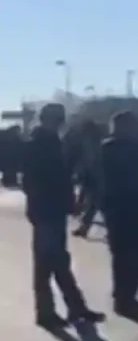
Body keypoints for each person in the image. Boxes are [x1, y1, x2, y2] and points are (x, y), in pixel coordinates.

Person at [22, 103, 104, 328]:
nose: (60, 123)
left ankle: (70, 308)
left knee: (55, 261)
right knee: (49, 263)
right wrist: (61, 201)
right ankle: (52, 311)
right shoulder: (40, 145)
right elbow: (39, 181)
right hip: (47, 211)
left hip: (49, 210)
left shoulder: (50, 143)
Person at [99, 112, 138, 318]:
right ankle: (124, 299)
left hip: (123, 205)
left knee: (128, 255)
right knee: (129, 254)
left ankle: (126, 297)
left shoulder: (109, 149)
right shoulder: (119, 150)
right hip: (124, 205)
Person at [71, 120, 102, 238]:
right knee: (91, 202)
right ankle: (84, 225)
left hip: (93, 175)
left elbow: (90, 159)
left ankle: (84, 226)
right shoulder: (93, 141)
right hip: (91, 174)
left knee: (92, 203)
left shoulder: (91, 142)